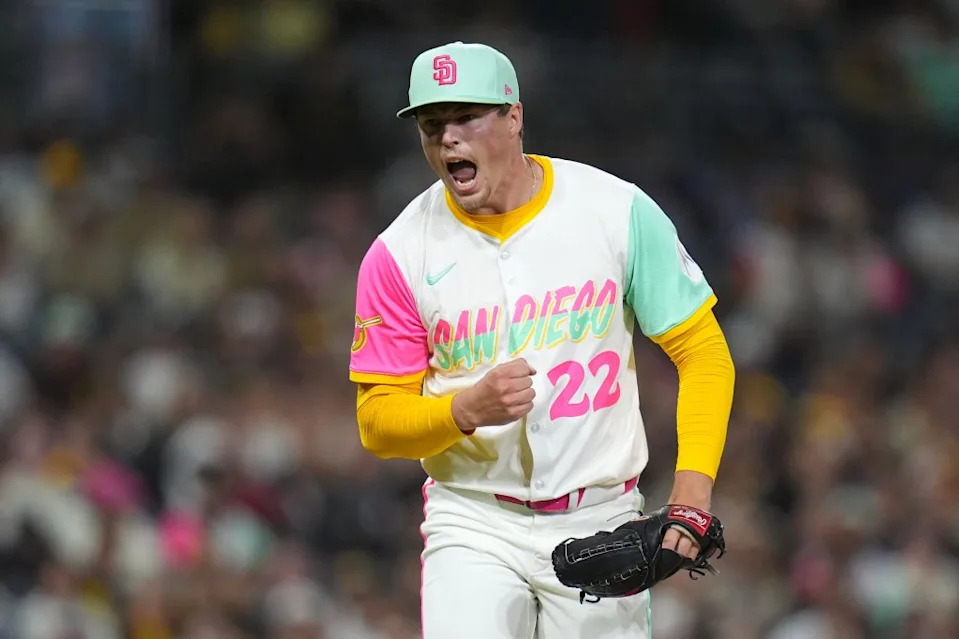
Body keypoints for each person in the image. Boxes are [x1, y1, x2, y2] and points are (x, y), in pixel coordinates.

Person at [349, 40, 735, 639]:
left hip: (601, 514)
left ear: (514, 117)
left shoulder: (614, 211)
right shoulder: (398, 254)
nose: (448, 138)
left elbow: (704, 355)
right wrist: (464, 410)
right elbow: (377, 420)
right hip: (474, 519)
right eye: (432, 125)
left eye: (466, 118)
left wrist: (692, 490)